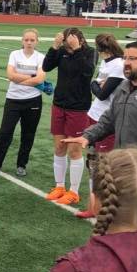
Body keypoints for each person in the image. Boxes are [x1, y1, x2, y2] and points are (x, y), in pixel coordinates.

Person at [66, 41, 137, 165]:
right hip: (124, 164)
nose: (126, 63)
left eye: (132, 58)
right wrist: (88, 136)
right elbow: (109, 120)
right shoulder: (123, 87)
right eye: (124, 58)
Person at [42, 28, 95, 206]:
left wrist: (77, 50)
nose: (68, 44)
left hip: (78, 108)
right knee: (59, 147)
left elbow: (87, 72)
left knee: (74, 150)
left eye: (69, 41)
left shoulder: (89, 52)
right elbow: (46, 67)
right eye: (65, 41)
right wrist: (54, 47)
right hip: (59, 104)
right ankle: (59, 186)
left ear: (79, 39)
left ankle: (73, 191)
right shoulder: (62, 51)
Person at [74, 33, 124, 219]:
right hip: (94, 115)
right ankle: (93, 207)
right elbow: (97, 88)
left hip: (106, 119)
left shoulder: (118, 65)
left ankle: (106, 209)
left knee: (104, 166)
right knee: (93, 164)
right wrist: (96, 84)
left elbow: (102, 94)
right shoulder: (107, 63)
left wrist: (94, 83)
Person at [0, 29, 45, 178]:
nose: (29, 43)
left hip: (33, 100)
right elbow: (10, 75)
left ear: (37, 42)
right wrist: (31, 77)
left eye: (32, 40)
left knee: (28, 134)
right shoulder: (14, 54)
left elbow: (40, 79)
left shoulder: (41, 57)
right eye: (26, 40)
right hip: (13, 99)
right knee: (5, 133)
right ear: (22, 41)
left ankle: (21, 165)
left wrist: (21, 78)